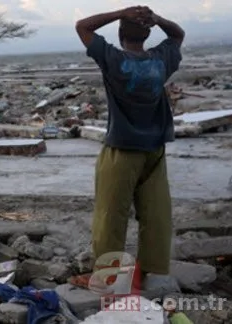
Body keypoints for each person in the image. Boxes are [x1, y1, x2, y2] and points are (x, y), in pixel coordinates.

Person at [73, 6, 185, 293]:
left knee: (111, 214)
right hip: (155, 150)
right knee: (156, 213)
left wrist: (121, 12)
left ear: (121, 34)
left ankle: (109, 278)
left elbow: (83, 26)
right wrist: (157, 19)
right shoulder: (161, 59)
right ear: (147, 34)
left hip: (122, 149)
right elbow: (178, 34)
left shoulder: (113, 59)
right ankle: (154, 273)